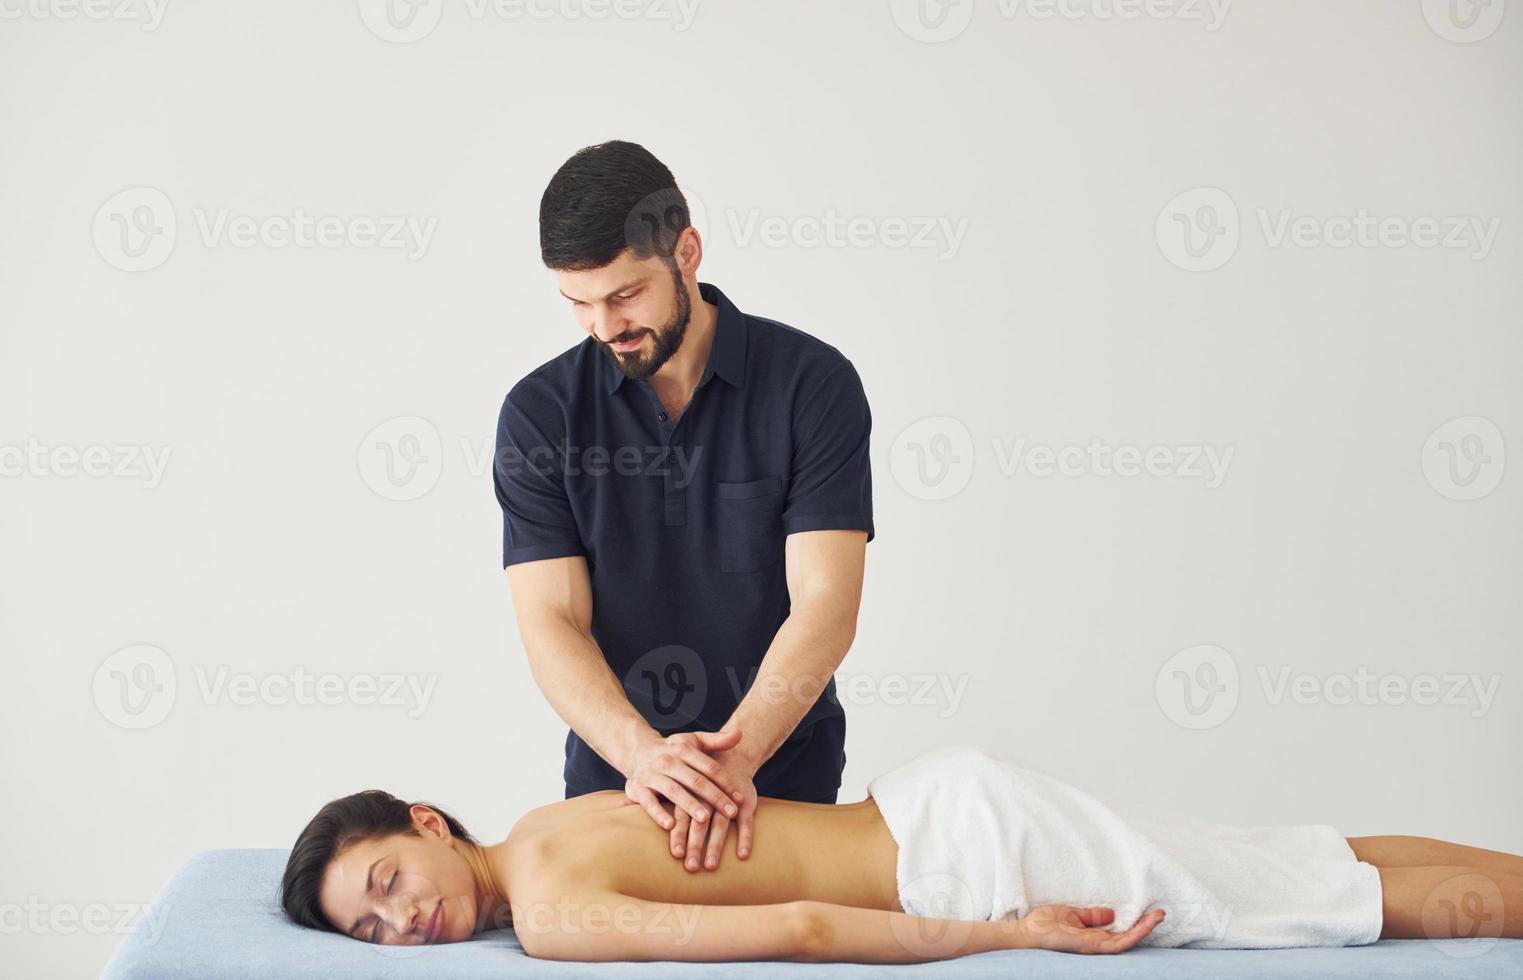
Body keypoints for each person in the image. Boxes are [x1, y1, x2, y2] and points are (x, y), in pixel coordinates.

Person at [495, 139, 874, 873]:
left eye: (624, 294)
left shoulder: (812, 384)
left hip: (782, 779)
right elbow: (551, 621)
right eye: (578, 304)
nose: (604, 327)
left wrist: (735, 761)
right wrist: (648, 761)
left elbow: (826, 602)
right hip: (618, 785)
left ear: (686, 252)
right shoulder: (540, 415)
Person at [280, 744, 1523, 963]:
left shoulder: (552, 909)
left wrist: (1008, 929)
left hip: (959, 862)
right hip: (938, 799)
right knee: (1294, 854)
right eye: (370, 928)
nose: (403, 922)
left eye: (386, 880)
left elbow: (804, 929)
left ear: (424, 823)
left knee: (1317, 904)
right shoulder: (549, 815)